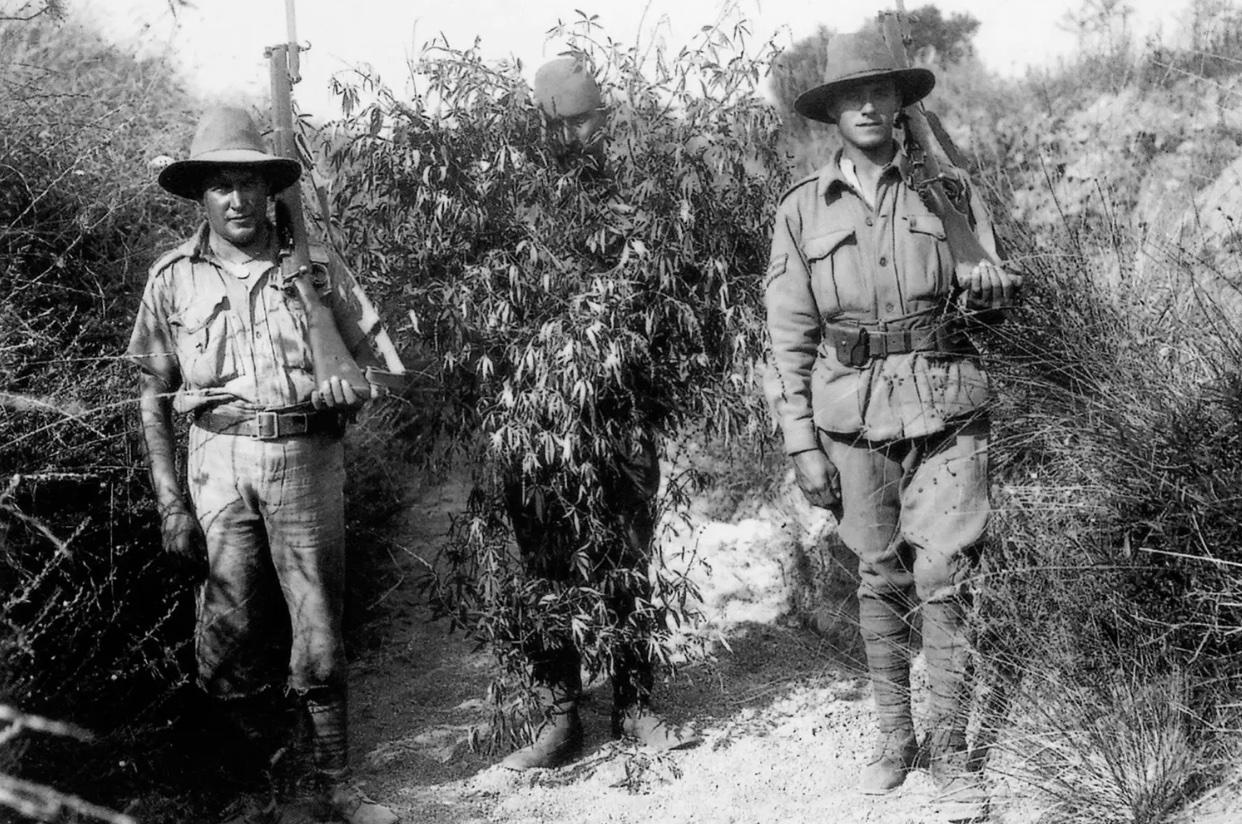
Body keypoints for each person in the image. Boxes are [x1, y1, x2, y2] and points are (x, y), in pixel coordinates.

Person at [764, 30, 1021, 820]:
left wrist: (990, 283)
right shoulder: (803, 211)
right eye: (852, 96)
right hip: (852, 418)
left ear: (902, 105)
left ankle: (948, 748)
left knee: (947, 574)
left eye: (883, 93)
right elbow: (787, 340)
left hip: (947, 406)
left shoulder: (948, 191)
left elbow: (1001, 292)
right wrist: (802, 444)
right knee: (879, 574)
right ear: (832, 114)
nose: (870, 106)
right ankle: (891, 737)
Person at [128, 106, 397, 824]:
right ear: (200, 196)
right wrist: (170, 504)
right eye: (221, 185)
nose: (238, 200)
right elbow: (151, 395)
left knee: (317, 632)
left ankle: (336, 788)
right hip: (214, 463)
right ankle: (267, 791)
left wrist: (347, 391)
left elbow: (382, 371)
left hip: (306, 458)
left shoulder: (315, 268)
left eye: (249, 184)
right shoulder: (172, 279)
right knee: (227, 637)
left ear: (270, 191)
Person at [496, 57, 698, 770]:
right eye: (567, 123)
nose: (581, 134)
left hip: (620, 417)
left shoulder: (634, 200)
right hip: (538, 426)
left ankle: (636, 706)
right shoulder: (514, 203)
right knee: (545, 566)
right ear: (543, 128)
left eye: (590, 120)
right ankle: (559, 719)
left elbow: (670, 303)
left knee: (628, 561)